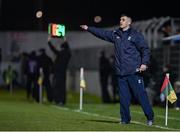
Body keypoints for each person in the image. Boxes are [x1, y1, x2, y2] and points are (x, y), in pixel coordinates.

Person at [80, 14, 154, 126]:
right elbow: (103, 34)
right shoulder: (116, 34)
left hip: (134, 71)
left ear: (129, 22)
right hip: (121, 73)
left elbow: (145, 49)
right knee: (124, 98)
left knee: (141, 95)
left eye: (123, 20)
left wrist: (144, 63)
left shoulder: (135, 35)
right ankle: (125, 119)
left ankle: (150, 118)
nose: (121, 21)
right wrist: (89, 28)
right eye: (120, 19)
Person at [48, 36, 71, 106]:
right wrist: (65, 40)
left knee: (56, 86)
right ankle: (62, 101)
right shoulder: (68, 53)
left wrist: (49, 42)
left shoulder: (61, 53)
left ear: (62, 48)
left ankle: (58, 100)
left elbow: (53, 49)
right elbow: (68, 48)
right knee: (62, 87)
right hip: (63, 72)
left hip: (57, 72)